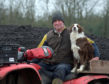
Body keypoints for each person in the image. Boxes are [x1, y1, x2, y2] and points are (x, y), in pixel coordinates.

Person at [34, 12, 100, 84]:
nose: (57, 23)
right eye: (55, 21)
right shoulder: (48, 35)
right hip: (49, 63)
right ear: (53, 23)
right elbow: (39, 50)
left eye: (59, 21)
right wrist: (31, 62)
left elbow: (91, 43)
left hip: (64, 64)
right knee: (35, 67)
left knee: (60, 70)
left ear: (63, 22)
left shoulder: (71, 32)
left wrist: (96, 56)